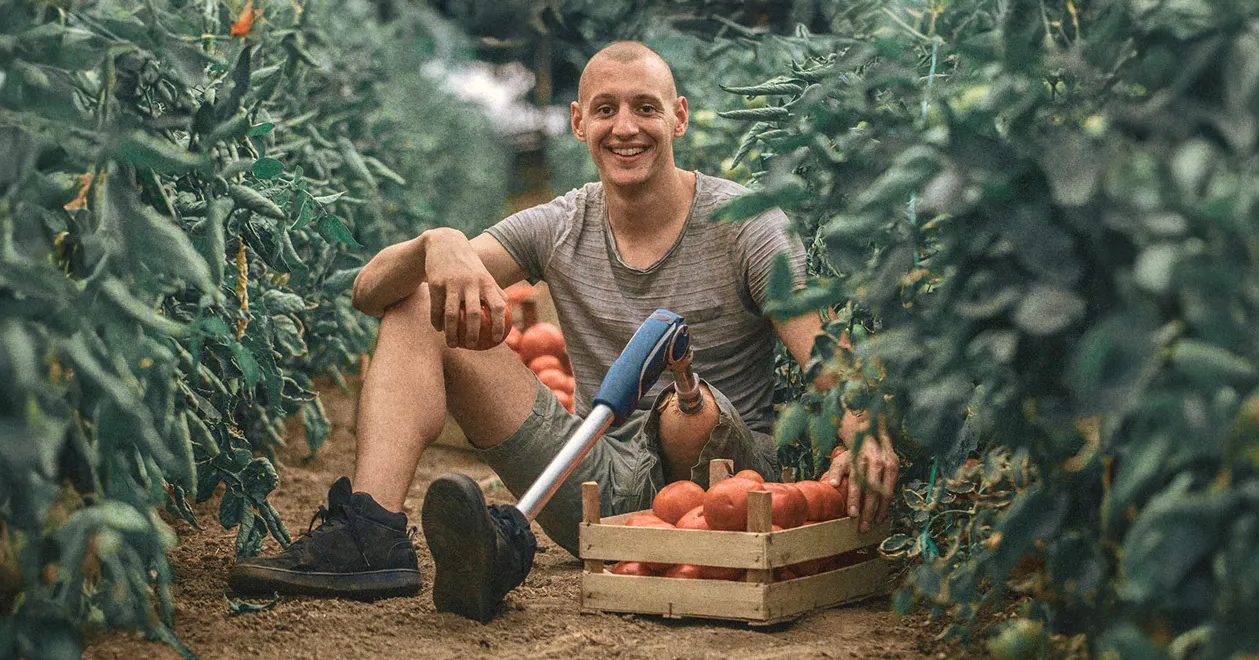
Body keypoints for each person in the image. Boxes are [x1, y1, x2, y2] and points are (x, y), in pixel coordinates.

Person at [225, 41, 903, 621]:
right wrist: (438, 244)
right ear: (578, 123)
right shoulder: (559, 224)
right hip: (591, 484)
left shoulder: (747, 225)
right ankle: (370, 536)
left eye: (645, 107)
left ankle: (644, 525)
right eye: (605, 110)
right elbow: (368, 291)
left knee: (681, 401)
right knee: (413, 302)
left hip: (718, 500)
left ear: (679, 117)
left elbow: (820, 350)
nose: (625, 127)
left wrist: (862, 428)